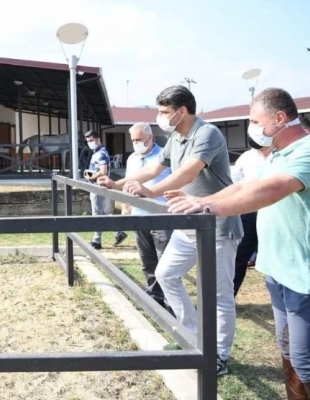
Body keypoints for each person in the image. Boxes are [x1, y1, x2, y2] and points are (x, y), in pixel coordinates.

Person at [167, 88, 310, 397]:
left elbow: (273, 189)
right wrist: (203, 200)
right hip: (279, 272)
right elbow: (247, 184)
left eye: (255, 121)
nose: (252, 128)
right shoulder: (279, 154)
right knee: (288, 352)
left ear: (280, 118)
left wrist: (210, 207)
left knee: (304, 359)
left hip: (303, 277)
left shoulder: (306, 151)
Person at [98, 85, 243, 376]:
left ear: (182, 110)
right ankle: (191, 336)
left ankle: (219, 356)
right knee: (166, 274)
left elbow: (187, 173)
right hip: (187, 224)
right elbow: (153, 168)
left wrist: (150, 193)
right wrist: (115, 183)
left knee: (218, 294)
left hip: (217, 224)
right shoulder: (175, 137)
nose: (160, 117)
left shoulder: (207, 134)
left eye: (164, 112)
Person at [122, 122, 173, 311]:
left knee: (165, 260)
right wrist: (126, 207)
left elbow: (176, 181)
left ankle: (170, 299)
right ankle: (154, 294)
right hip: (139, 215)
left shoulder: (165, 156)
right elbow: (128, 184)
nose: (136, 144)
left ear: (150, 138)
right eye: (133, 140)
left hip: (161, 214)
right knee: (147, 258)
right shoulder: (132, 159)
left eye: (139, 140)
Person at [231, 138, 274, 296]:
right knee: (240, 255)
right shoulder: (246, 158)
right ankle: (229, 297)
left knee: (275, 255)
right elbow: (234, 183)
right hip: (249, 213)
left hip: (274, 212)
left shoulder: (281, 155)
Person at [83, 130, 127, 249]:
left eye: (91, 140)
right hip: (100, 185)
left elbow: (103, 171)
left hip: (99, 186)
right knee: (104, 213)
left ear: (98, 140)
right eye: (88, 141)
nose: (90, 143)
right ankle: (118, 233)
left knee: (97, 213)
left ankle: (97, 241)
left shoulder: (100, 153)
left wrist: (91, 177)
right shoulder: (98, 152)